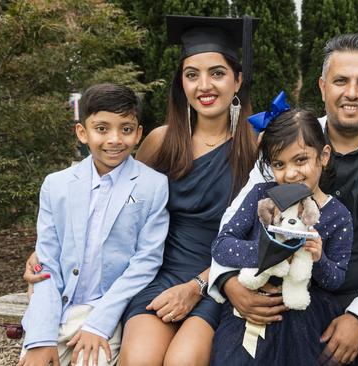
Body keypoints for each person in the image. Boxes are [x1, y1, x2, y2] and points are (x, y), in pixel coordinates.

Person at [23, 15, 258, 366]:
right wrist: (48, 253)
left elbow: (257, 233)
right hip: (156, 273)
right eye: (192, 75)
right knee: (139, 359)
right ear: (182, 82)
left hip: (216, 278)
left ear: (238, 80)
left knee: (183, 361)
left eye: (217, 73)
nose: (204, 85)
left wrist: (197, 285)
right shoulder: (161, 141)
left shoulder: (255, 147)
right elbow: (117, 199)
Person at [209, 34, 358, 365]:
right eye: (341, 81)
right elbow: (234, 221)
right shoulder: (287, 143)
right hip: (283, 290)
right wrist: (228, 282)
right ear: (323, 86)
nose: (352, 93)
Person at [18, 83, 170, 366]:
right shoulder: (56, 185)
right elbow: (46, 264)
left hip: (106, 311)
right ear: (82, 132)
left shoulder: (153, 186)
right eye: (102, 129)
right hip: (56, 309)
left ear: (138, 134)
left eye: (125, 129)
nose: (114, 139)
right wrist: (41, 337)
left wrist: (98, 324)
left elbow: (146, 262)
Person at [210, 104, 354, 365]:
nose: (290, 173)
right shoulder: (260, 196)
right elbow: (222, 245)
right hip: (252, 304)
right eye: (279, 163)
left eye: (301, 160)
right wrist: (272, 252)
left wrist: (318, 259)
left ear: (323, 155)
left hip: (305, 313)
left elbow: (337, 280)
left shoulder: (337, 215)